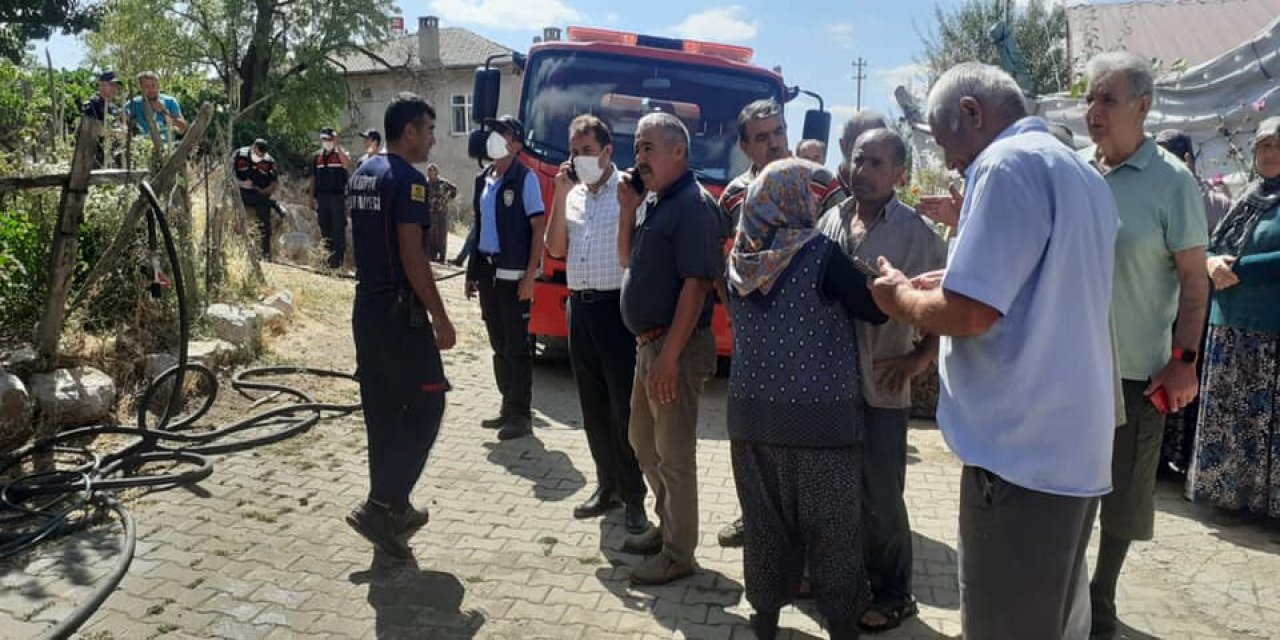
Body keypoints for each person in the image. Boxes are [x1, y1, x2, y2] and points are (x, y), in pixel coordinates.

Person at [872, 62, 1117, 639]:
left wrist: (902, 298)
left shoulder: (1005, 165)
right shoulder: (1080, 175)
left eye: (943, 137)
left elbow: (970, 314)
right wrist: (951, 278)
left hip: (1018, 459)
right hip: (1064, 450)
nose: (949, 160)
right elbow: (1033, 289)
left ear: (973, 113)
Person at [727, 158, 888, 640]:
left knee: (763, 527)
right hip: (821, 425)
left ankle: (766, 620)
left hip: (751, 419)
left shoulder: (737, 260)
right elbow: (874, 311)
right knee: (833, 531)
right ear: (799, 199)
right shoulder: (821, 253)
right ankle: (842, 624)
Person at [1080, 51, 1210, 640]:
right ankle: (1063, 595)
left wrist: (1183, 361)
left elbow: (1193, 279)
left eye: (1106, 99)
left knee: (1124, 501)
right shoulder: (1077, 172)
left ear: (1143, 106)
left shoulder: (1172, 183)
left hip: (1136, 375)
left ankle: (1100, 601)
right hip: (1068, 371)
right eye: (1088, 98)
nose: (1092, 111)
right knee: (1066, 489)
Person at [817, 128, 946, 633]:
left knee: (882, 499)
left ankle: (895, 594)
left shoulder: (917, 234)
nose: (863, 171)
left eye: (876, 163)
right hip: (830, 387)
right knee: (836, 491)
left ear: (900, 174)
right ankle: (845, 579)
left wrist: (919, 361)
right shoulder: (832, 218)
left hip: (883, 388)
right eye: (858, 160)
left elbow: (949, 305)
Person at [716, 99, 847, 549]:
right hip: (757, 333)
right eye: (762, 137)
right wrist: (732, 309)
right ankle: (755, 518)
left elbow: (842, 247)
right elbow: (725, 255)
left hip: (812, 333)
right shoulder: (733, 194)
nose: (775, 143)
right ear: (744, 146)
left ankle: (812, 542)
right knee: (756, 429)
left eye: (779, 132)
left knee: (807, 438)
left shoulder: (819, 183)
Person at [345, 92, 455, 559]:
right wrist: (441, 317)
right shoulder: (409, 181)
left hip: (367, 308)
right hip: (398, 313)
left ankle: (395, 508)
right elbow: (413, 255)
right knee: (428, 405)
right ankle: (381, 504)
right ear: (409, 131)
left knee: (383, 412)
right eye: (429, 130)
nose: (432, 139)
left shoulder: (361, 174)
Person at [616, 112, 721, 586]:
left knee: (673, 455)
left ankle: (680, 553)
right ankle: (668, 527)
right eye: (637, 148)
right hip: (648, 347)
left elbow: (697, 286)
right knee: (643, 443)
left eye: (649, 147)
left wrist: (670, 357)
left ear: (679, 151)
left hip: (672, 349)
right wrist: (628, 210)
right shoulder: (657, 202)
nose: (639, 157)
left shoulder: (694, 206)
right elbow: (628, 263)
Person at [545, 115, 649, 534]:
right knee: (591, 406)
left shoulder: (629, 192)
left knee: (622, 409)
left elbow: (635, 256)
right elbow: (554, 248)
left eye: (587, 151)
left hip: (615, 308)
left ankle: (634, 496)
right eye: (575, 151)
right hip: (580, 308)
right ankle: (606, 485)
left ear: (608, 151)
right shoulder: (572, 196)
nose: (579, 158)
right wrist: (557, 194)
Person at [1188, 116, 1280, 520]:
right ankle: (1228, 495)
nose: (1270, 154)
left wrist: (1240, 268)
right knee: (1232, 413)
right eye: (1263, 146)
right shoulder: (1247, 198)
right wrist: (1211, 264)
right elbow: (1213, 244)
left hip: (1270, 329)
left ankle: (1266, 503)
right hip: (1229, 327)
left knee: (1264, 418)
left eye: (1277, 146)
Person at [1155, 128, 1235, 474]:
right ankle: (1157, 456)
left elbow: (1230, 248)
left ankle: (1183, 455)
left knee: (1188, 377)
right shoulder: (1152, 194)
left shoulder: (1215, 201)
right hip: (1157, 304)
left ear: (1188, 158)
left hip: (1193, 307)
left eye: (1170, 154)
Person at [463, 115, 546, 441]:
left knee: (516, 347)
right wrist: (472, 273)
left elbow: (538, 228)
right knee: (498, 345)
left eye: (503, 133)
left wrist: (531, 276)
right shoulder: (484, 179)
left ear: (517, 143)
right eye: (494, 132)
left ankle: (520, 414)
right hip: (488, 274)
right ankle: (506, 406)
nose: (495, 137)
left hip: (514, 277)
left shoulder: (525, 179)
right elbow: (479, 228)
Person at [311, 127, 352, 269]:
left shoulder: (341, 153)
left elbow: (347, 164)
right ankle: (325, 260)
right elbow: (314, 178)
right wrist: (311, 197)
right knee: (324, 227)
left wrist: (337, 146)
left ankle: (337, 263)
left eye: (329, 139)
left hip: (337, 197)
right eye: (324, 139)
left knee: (338, 229)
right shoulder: (317, 156)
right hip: (322, 197)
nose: (326, 142)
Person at [233, 139, 280, 261]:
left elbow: (274, 183)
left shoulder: (269, 161)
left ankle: (265, 254)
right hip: (239, 192)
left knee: (265, 223)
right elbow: (228, 173)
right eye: (257, 154)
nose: (259, 157)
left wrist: (263, 191)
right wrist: (240, 183)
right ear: (253, 147)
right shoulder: (240, 154)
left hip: (259, 195)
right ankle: (236, 249)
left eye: (262, 155)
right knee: (236, 218)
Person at [125, 71, 187, 146]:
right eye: (146, 86)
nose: (151, 89)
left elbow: (182, 129)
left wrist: (164, 112)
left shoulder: (170, 102)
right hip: (141, 149)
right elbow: (121, 126)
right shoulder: (132, 104)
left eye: (153, 85)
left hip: (167, 149)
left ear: (158, 86)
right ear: (141, 88)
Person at [835, 110, 891, 192]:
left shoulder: (890, 196)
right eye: (861, 143)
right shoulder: (821, 193)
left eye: (878, 144)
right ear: (843, 145)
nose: (872, 151)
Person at [82, 71, 124, 168]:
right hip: (94, 156)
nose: (115, 89)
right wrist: (114, 133)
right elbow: (92, 129)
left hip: (113, 156)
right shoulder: (91, 104)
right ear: (101, 85)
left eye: (117, 86)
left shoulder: (114, 108)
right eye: (112, 85)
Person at [425, 164, 457, 263]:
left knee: (441, 235)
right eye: (429, 171)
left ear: (436, 172)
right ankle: (431, 255)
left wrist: (447, 199)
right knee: (430, 235)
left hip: (441, 212)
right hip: (430, 212)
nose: (430, 173)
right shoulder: (425, 183)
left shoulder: (443, 183)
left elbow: (454, 189)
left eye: (432, 171)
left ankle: (442, 257)